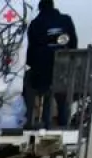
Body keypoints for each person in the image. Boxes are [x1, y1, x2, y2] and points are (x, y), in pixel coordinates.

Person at [26, 0, 78, 128]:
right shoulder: (66, 20)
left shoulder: (36, 23)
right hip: (65, 72)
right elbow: (74, 44)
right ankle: (63, 123)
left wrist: (32, 64)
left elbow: (30, 51)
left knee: (40, 90)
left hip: (42, 73)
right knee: (62, 95)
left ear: (40, 9)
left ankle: (40, 122)